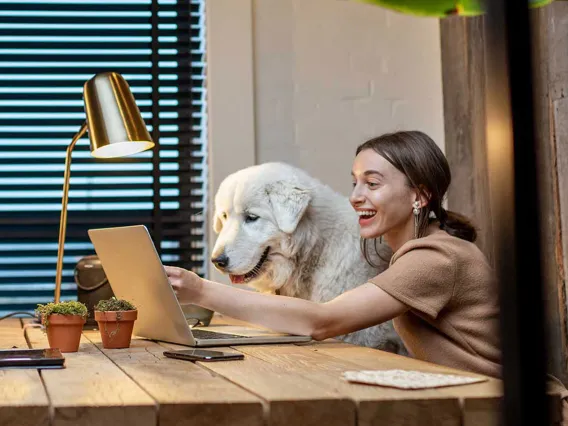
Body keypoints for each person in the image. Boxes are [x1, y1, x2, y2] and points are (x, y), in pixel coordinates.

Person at [165, 130, 505, 379]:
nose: (356, 196)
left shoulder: (434, 258)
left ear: (419, 196)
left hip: (499, 404)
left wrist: (200, 290)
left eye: (372, 184)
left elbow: (323, 321)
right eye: (355, 182)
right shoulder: (405, 250)